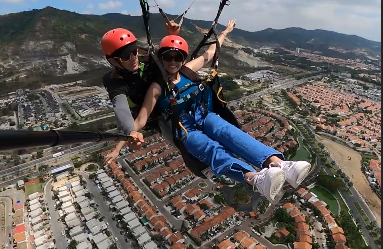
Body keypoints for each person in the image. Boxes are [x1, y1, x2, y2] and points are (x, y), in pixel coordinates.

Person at [133, 19, 312, 202]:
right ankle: (255, 179)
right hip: (185, 128)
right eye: (168, 57)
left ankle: (280, 164)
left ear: (183, 59)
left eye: (177, 57)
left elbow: (210, 52)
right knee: (210, 148)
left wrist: (225, 32)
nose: (173, 62)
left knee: (228, 132)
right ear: (161, 59)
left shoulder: (187, 71)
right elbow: (141, 119)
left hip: (203, 115)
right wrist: (127, 137)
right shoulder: (157, 87)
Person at [102, 22, 180, 163]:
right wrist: (130, 133)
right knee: (181, 143)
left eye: (134, 51)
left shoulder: (148, 61)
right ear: (113, 61)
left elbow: (171, 59)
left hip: (170, 102)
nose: (133, 59)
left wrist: (172, 36)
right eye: (126, 57)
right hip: (154, 117)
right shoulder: (115, 81)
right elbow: (120, 108)